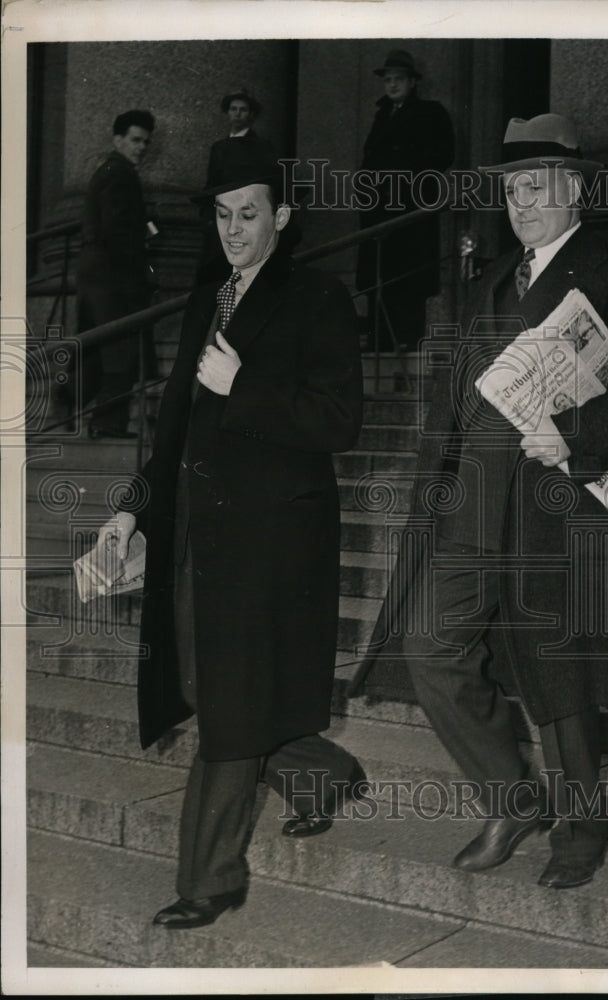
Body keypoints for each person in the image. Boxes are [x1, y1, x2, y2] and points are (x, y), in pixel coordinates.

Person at [349, 114, 608, 890]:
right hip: (472, 500)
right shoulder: (492, 279)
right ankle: (513, 796)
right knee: (431, 647)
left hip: (558, 501)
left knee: (562, 676)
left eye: (536, 187)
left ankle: (580, 829)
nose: (521, 203)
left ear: (574, 190)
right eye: (511, 190)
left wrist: (577, 435)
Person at [98, 144, 366, 929]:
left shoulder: (319, 298)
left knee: (230, 701)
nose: (234, 230)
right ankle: (326, 773)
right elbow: (176, 420)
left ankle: (208, 880)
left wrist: (243, 384)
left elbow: (338, 421)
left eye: (249, 214)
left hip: (273, 543)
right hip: (196, 534)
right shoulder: (205, 298)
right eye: (221, 215)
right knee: (195, 684)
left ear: (281, 217)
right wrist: (131, 510)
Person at [355, 50, 454, 352]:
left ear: (412, 82)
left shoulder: (430, 113)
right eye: (388, 80)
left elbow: (441, 156)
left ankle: (406, 340)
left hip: (410, 208)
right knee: (379, 275)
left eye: (399, 79)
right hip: (378, 210)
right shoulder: (381, 116)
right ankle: (380, 339)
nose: (393, 85)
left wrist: (410, 184)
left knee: (408, 277)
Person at [75, 109, 157, 438]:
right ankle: (107, 424)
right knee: (120, 348)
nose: (141, 147)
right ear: (118, 139)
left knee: (101, 346)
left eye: (146, 142)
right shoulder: (119, 174)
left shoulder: (109, 170)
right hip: (113, 273)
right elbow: (116, 230)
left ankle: (74, 404)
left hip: (98, 270)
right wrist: (142, 269)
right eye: (135, 140)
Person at [195, 90, 277, 285]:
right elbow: (212, 184)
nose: (237, 114)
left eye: (243, 110)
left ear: (251, 115)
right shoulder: (219, 147)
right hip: (219, 219)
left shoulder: (261, 147)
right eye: (233, 109)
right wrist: (207, 217)